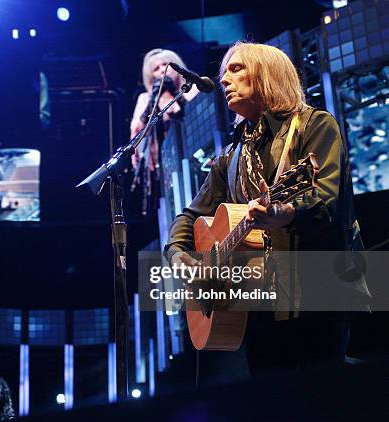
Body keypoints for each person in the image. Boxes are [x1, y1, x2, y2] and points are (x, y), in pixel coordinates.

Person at [164, 42, 370, 373]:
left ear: (267, 74)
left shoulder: (314, 126)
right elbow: (189, 216)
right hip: (257, 302)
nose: (224, 80)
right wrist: (179, 255)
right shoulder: (229, 158)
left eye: (236, 69)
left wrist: (282, 214)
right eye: (223, 74)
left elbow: (325, 200)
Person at [130, 48, 198, 214]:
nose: (162, 70)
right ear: (151, 76)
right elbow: (137, 129)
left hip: (194, 154)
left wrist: (176, 94)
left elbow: (196, 115)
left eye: (166, 65)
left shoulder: (193, 89)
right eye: (156, 68)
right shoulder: (145, 98)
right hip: (163, 162)